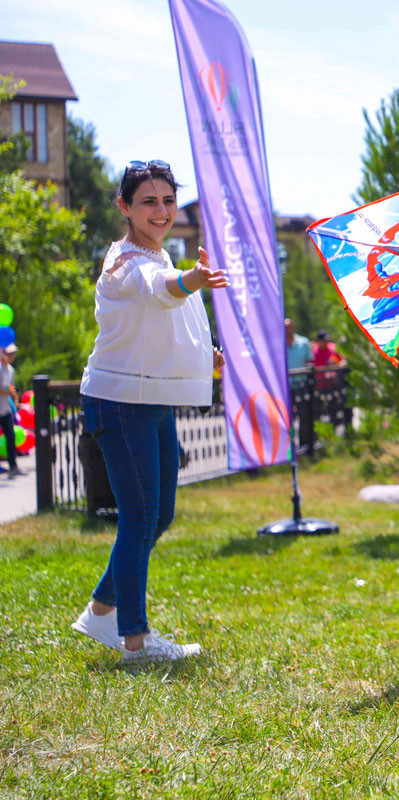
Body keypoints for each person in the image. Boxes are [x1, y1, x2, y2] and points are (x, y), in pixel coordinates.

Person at [70, 159, 228, 663]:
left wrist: (204, 356)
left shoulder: (158, 256)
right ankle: (134, 641)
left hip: (151, 400)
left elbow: (162, 325)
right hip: (120, 404)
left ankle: (100, 612)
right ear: (125, 207)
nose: (160, 211)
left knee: (158, 515)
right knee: (139, 518)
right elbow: (160, 293)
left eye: (166, 200)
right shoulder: (125, 263)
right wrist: (192, 280)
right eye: (147, 202)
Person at [0, 344, 20, 477]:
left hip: (5, 408)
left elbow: (11, 387)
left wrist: (15, 398)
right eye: (8, 353)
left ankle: (13, 466)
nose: (10, 356)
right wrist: (10, 391)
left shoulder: (11, 370)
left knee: (10, 436)